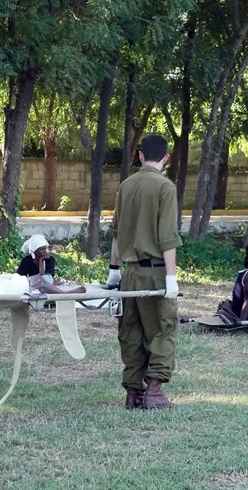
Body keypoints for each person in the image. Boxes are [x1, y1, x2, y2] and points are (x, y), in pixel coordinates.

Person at [106, 134, 181, 411]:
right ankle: (154, 392)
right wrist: (171, 278)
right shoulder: (165, 187)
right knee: (162, 328)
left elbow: (115, 233)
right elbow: (168, 238)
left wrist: (114, 271)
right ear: (166, 158)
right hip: (156, 272)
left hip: (128, 274)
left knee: (131, 330)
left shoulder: (126, 185)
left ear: (140, 156)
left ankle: (133, 392)